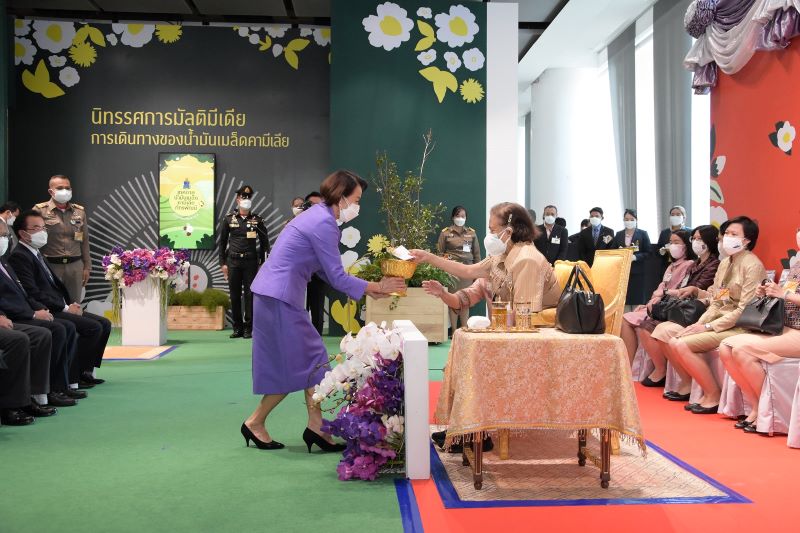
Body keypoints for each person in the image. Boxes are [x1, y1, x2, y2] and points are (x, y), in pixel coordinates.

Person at [243, 170, 404, 451]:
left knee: (311, 361)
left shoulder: (317, 216)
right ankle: (256, 422)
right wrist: (377, 286)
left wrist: (368, 288)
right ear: (342, 197)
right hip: (279, 296)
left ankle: (315, 427)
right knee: (310, 361)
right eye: (357, 200)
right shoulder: (324, 223)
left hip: (275, 295)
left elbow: (326, 272)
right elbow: (336, 276)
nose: (358, 206)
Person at [651, 216, 765, 413]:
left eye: (734, 234)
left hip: (740, 326)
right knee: (676, 339)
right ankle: (707, 391)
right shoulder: (725, 263)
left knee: (681, 344)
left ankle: (713, 394)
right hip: (720, 320)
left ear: (746, 240)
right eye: (726, 233)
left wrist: (708, 326)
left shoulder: (752, 265)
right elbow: (717, 301)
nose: (727, 238)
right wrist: (699, 324)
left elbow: (744, 309)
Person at [11, 210, 110, 389]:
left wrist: (69, 304)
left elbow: (53, 287)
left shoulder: (37, 252)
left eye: (44, 227)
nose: (42, 232)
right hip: (47, 308)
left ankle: (85, 370)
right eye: (36, 228)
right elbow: (33, 292)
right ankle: (74, 375)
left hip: (58, 305)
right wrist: (64, 308)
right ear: (23, 233)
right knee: (92, 327)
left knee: (104, 323)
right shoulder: (20, 256)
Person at [718, 227, 800, 433]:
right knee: (726, 347)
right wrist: (767, 292)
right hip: (784, 327)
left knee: (742, 351)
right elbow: (785, 294)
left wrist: (784, 294)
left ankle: (766, 411)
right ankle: (756, 406)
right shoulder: (797, 264)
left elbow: (787, 295)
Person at [412, 202, 560, 313]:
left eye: (492, 230)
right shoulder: (500, 256)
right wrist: (428, 258)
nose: (489, 236)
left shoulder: (527, 260)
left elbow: (523, 319)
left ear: (508, 232)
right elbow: (468, 271)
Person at [638, 225, 721, 386]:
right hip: (686, 306)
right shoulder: (695, 264)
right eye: (694, 238)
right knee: (646, 326)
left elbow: (702, 291)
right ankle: (665, 372)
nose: (695, 242)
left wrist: (684, 292)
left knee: (658, 329)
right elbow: (687, 288)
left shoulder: (714, 264)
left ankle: (684, 380)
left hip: (697, 310)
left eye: (700, 239)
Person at [620, 229, 694, 367]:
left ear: (686, 245)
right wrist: (648, 303)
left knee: (628, 321)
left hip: (668, 307)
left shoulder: (688, 264)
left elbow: (677, 291)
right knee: (625, 318)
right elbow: (661, 287)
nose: (672, 245)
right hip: (657, 305)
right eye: (670, 242)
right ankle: (629, 364)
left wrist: (659, 298)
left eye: (676, 242)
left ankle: (633, 365)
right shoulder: (671, 266)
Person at [219, 185, 271, 339]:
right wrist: (223, 263)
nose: (246, 200)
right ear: (237, 200)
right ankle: (237, 328)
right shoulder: (229, 219)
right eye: (243, 197)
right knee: (234, 295)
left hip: (250, 262)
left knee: (250, 295)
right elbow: (222, 243)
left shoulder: (257, 220)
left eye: (248, 197)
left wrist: (262, 262)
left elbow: (265, 242)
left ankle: (248, 328)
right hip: (233, 261)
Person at [32, 175, 90, 304]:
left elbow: (84, 240)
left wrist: (87, 267)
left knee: (75, 304)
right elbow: (31, 240)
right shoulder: (39, 210)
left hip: (75, 266)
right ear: (51, 191)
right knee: (52, 304)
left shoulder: (79, 211)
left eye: (67, 188)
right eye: (60, 188)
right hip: (50, 265)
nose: (64, 191)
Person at [436, 206, 481, 332]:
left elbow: (477, 254)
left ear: (466, 218)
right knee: (452, 300)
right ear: (453, 217)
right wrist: (442, 272)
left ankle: (464, 329)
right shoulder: (445, 232)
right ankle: (454, 330)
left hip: (467, 271)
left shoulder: (471, 233)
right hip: (452, 272)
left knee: (465, 300)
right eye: (458, 215)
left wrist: (477, 274)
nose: (460, 218)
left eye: (463, 216)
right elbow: (439, 253)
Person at [612, 209, 652, 306]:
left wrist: (636, 257)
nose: (629, 221)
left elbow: (649, 253)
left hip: (637, 271)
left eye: (631, 219)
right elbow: (612, 250)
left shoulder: (643, 233)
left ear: (636, 220)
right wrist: (619, 252)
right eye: (626, 219)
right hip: (622, 271)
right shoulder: (619, 234)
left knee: (637, 298)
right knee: (624, 299)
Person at [303, 191, 327, 335]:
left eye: (319, 205)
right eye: (311, 205)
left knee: (317, 309)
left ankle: (317, 339)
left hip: (318, 275)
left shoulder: (326, 226)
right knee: (299, 309)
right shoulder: (295, 224)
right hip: (299, 276)